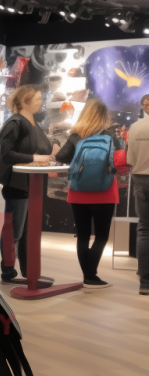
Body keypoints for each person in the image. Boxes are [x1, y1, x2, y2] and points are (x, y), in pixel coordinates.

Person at [56, 98, 124, 289]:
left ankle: (88, 276)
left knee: (83, 235)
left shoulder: (76, 135)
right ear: (105, 116)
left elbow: (61, 157)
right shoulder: (111, 135)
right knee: (101, 236)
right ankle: (90, 276)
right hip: (105, 191)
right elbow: (120, 161)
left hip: (78, 191)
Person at [0, 85, 58, 284]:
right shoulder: (15, 123)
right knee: (14, 231)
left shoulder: (32, 123)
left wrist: (50, 153)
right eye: (38, 99)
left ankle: (27, 272)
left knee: (24, 231)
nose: (41, 102)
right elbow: (7, 154)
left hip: (31, 184)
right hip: (18, 185)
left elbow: (42, 150)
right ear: (25, 101)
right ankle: (8, 272)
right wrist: (36, 157)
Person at [126, 93, 149, 295]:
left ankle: (145, 282)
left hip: (141, 179)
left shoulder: (135, 127)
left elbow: (130, 159)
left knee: (144, 228)